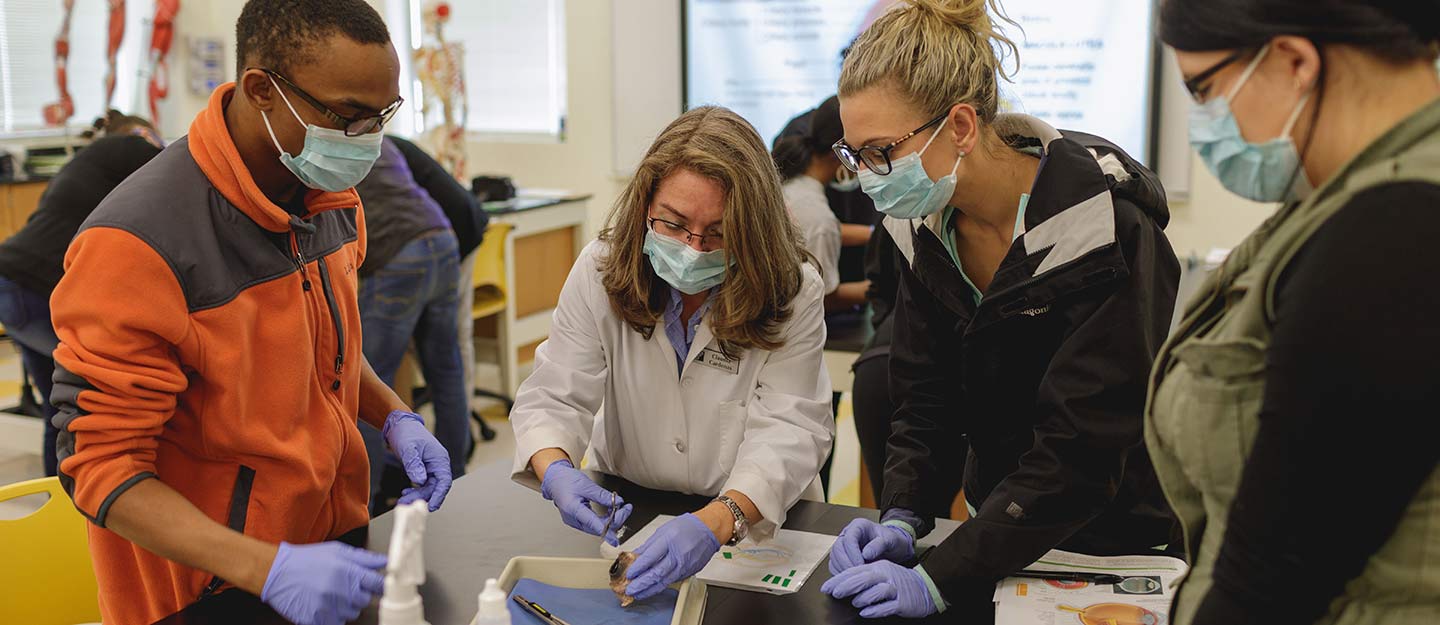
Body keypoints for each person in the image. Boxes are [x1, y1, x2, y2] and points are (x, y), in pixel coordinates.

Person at [47, 2, 452, 624]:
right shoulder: (137, 243)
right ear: (262, 90)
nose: (368, 139)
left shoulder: (330, 202)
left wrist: (393, 414)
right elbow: (100, 468)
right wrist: (266, 569)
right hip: (212, 587)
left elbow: (326, 353)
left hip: (328, 547)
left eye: (383, 116)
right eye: (347, 116)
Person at [820, 0, 1181, 618]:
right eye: (855, 155)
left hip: (1109, 541)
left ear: (960, 126)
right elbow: (924, 396)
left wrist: (943, 575)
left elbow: (1082, 450)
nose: (868, 177)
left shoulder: (1106, 230)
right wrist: (905, 513)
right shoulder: (922, 229)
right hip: (998, 539)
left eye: (881, 151)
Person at [1146, 2, 1440, 624]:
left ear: (1293, 60)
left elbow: (1276, 572)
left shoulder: (1396, 232)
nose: (1204, 121)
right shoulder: (1346, 202)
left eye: (1204, 89)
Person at [509, 106, 835, 602]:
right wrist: (556, 470)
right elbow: (555, 393)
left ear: (753, 229)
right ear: (645, 206)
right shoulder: (600, 269)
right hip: (629, 503)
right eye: (675, 224)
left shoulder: (791, 289)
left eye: (720, 233)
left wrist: (717, 521)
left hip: (752, 516)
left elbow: (791, 429)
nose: (694, 247)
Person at [0, 110, 162, 478]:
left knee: (58, 410)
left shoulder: (89, 162)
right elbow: (185, 175)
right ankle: (93, 500)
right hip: (38, 288)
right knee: (92, 401)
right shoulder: (133, 146)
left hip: (11, 281)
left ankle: (55, 505)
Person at [355, 134, 484, 514]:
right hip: (442, 241)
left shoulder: (317, 149)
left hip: (398, 254)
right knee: (446, 371)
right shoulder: (380, 141)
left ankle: (367, 502)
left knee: (365, 385)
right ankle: (454, 480)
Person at [773, 96, 874, 311]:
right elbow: (824, 297)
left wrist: (875, 234)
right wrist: (880, 288)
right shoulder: (818, 217)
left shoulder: (789, 187)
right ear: (843, 152)